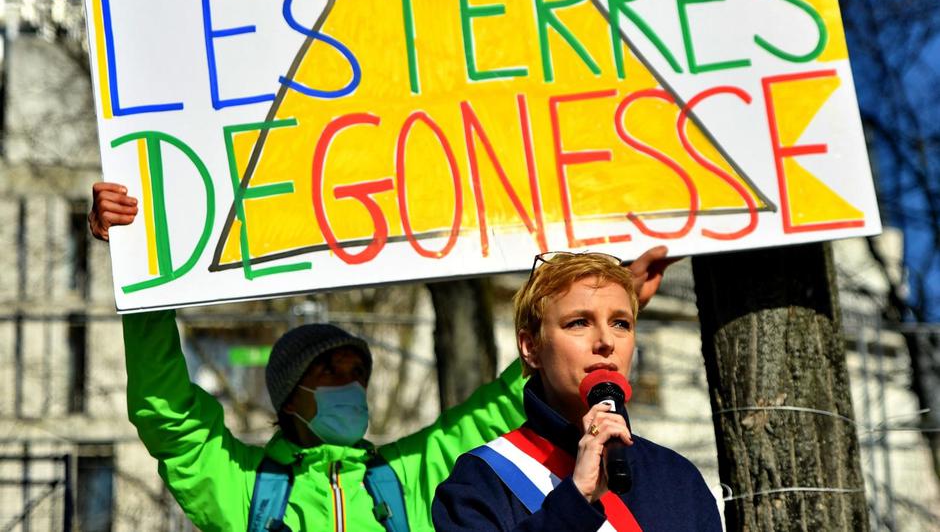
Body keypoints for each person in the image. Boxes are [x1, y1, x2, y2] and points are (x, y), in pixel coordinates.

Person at [89, 183, 675, 532]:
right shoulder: (242, 490)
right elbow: (169, 416)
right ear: (290, 395)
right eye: (329, 372)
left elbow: (491, 413)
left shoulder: (406, 478)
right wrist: (136, 271)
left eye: (357, 374)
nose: (351, 386)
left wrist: (599, 304)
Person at [432, 252, 721, 531]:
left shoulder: (678, 478)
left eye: (621, 323)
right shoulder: (481, 482)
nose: (606, 341)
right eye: (579, 322)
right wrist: (575, 500)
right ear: (530, 347)